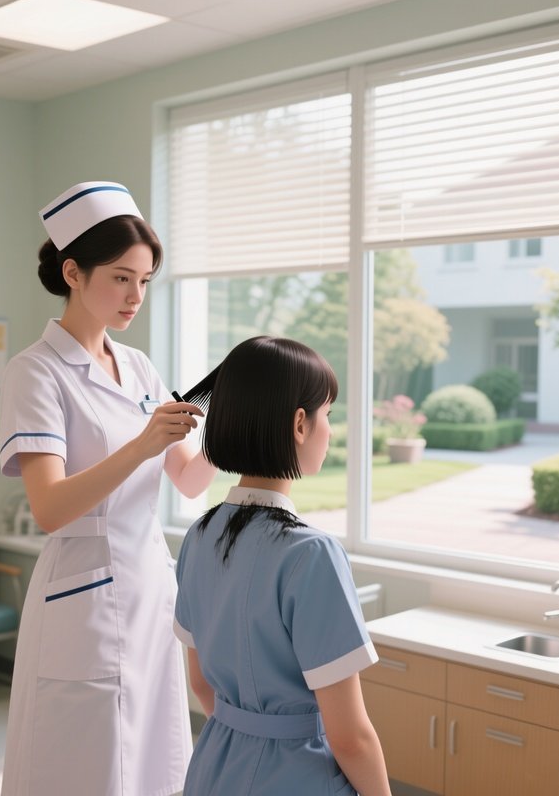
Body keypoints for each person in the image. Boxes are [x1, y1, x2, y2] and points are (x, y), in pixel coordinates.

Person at [0, 181, 216, 796]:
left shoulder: (141, 366)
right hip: (83, 594)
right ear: (73, 271)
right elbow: (49, 507)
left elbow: (190, 477)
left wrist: (240, 426)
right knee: (88, 764)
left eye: (145, 282)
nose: (135, 296)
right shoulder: (35, 372)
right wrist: (144, 443)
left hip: (151, 589)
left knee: (153, 755)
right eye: (121, 278)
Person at [173, 336, 392, 796]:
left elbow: (200, 684)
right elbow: (350, 738)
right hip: (299, 778)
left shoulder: (198, 537)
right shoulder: (311, 555)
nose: (329, 430)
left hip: (214, 768)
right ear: (299, 423)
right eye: (327, 415)